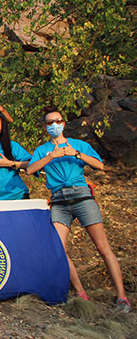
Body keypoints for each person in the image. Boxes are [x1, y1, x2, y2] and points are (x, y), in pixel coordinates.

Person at [26, 107, 130, 312]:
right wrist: (51, 156)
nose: (54, 125)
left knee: (102, 247)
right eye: (49, 122)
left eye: (57, 121)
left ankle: (122, 296)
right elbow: (30, 169)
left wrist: (77, 154)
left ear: (63, 123)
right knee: (59, 248)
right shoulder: (42, 150)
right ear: (45, 127)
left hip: (81, 196)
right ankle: (80, 292)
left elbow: (100, 165)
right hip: (59, 200)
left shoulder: (79, 145)